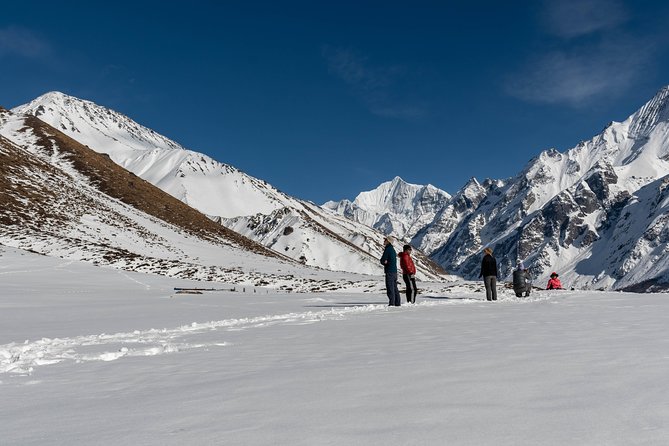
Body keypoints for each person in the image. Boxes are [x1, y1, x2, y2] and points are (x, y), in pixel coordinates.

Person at [380, 236, 401, 306]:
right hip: (394, 271)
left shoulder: (388, 249)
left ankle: (392, 303)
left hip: (389, 271)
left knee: (390, 288)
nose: (384, 241)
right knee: (395, 288)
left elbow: (382, 260)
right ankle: (397, 303)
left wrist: (384, 262)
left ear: (388, 241)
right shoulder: (392, 249)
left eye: (385, 240)